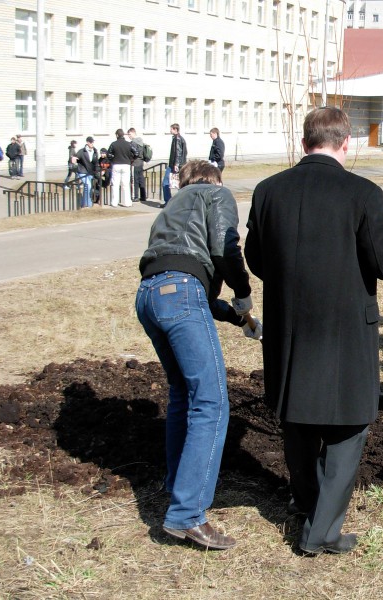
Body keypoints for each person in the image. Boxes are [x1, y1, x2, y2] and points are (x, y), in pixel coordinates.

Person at [244, 107, 383, 555]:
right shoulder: (362, 193)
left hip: (290, 326)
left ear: (304, 144)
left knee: (296, 418)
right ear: (346, 144)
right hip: (343, 331)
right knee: (348, 426)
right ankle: (322, 532)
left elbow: (256, 260)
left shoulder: (267, 191)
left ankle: (310, 508)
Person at [136, 159, 259, 551]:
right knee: (211, 402)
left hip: (150, 296)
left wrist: (239, 320)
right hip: (181, 294)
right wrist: (243, 294)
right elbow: (226, 246)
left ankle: (177, 484)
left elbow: (191, 292)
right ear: (214, 181)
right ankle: (187, 514)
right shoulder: (215, 193)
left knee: (181, 396)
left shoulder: (173, 207)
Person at [108, 129, 135, 208]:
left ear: (117, 135)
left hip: (116, 164)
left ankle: (114, 202)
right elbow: (136, 152)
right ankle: (126, 202)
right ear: (123, 135)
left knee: (115, 184)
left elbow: (108, 154)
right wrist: (131, 159)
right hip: (126, 165)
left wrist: (113, 159)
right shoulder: (128, 144)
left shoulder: (114, 144)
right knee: (125, 184)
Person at [162, 123, 187, 204]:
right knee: (178, 183)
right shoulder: (178, 138)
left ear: (175, 130)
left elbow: (178, 152)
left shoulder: (177, 139)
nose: (170, 130)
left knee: (166, 182)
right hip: (177, 164)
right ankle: (182, 201)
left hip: (174, 165)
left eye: (171, 129)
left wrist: (176, 164)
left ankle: (168, 201)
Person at [75, 137, 98, 209]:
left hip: (90, 172)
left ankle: (83, 203)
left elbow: (96, 162)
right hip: (82, 171)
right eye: (91, 142)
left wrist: (97, 170)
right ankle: (88, 204)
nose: (92, 144)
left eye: (93, 142)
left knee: (89, 188)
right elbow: (75, 158)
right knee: (88, 186)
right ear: (87, 142)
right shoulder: (82, 151)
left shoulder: (95, 151)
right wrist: (74, 160)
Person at [127, 128, 147, 202]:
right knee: (141, 179)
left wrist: (131, 159)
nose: (129, 136)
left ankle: (135, 196)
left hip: (135, 163)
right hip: (141, 162)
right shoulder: (141, 141)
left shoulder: (133, 143)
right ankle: (143, 196)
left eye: (129, 134)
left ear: (133, 133)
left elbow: (135, 153)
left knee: (135, 180)